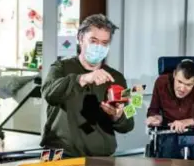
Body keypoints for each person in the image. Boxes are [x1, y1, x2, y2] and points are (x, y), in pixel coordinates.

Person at [40, 14, 134, 157]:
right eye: (93, 41)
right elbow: (49, 93)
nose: (99, 47)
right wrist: (82, 79)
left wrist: (118, 116)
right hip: (57, 153)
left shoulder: (118, 78)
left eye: (104, 43)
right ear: (80, 38)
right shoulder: (60, 67)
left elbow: (130, 123)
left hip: (101, 157)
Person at [146, 60, 194, 160]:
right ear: (174, 74)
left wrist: (188, 122)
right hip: (169, 132)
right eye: (179, 82)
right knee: (168, 151)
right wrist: (155, 117)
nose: (182, 89)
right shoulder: (161, 83)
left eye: (188, 85)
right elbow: (153, 109)